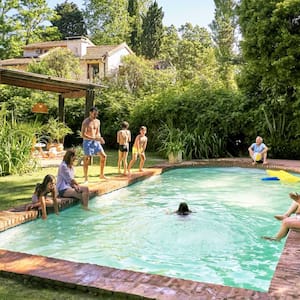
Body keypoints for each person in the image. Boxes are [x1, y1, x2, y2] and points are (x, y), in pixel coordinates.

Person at [81, 106, 107, 182]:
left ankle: (101, 175)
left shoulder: (98, 121)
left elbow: (97, 132)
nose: (96, 115)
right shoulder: (86, 122)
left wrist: (100, 138)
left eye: (96, 114)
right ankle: (86, 178)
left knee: (104, 156)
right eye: (94, 114)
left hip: (96, 141)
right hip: (87, 142)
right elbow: (83, 134)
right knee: (87, 159)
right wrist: (94, 138)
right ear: (90, 113)